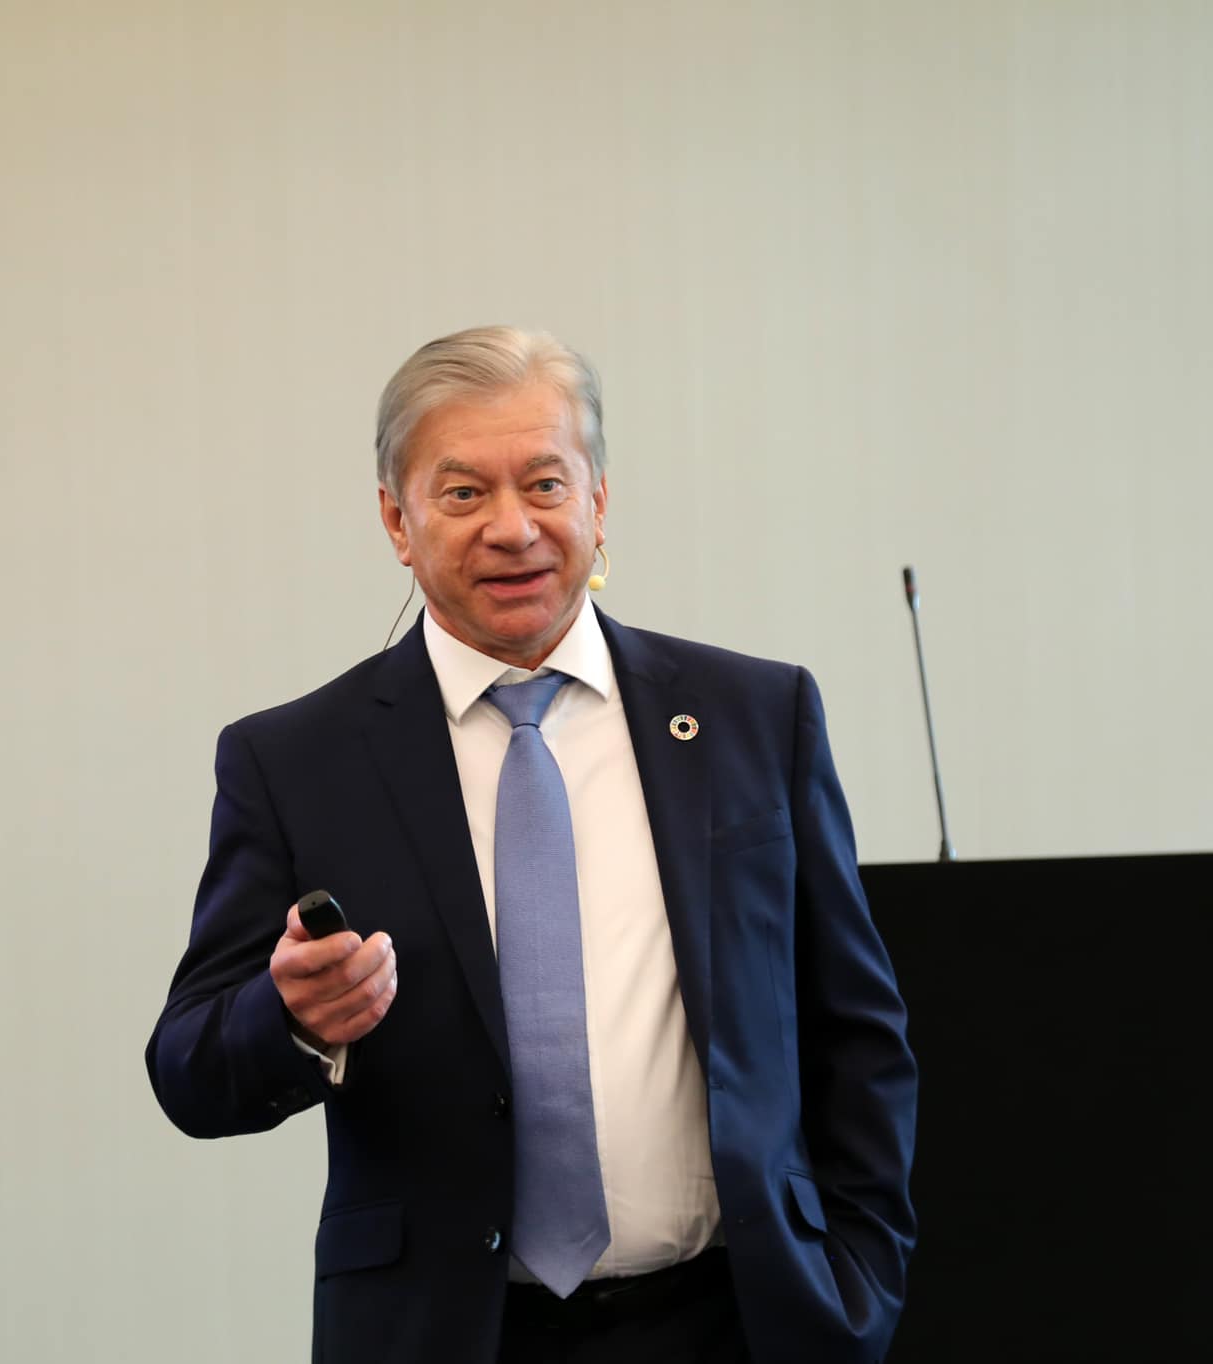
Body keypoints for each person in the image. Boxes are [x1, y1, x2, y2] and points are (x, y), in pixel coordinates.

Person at [148, 326, 917, 1364]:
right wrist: (289, 1019)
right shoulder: (296, 759)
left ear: (598, 499)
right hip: (445, 1334)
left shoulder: (752, 715)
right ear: (397, 519)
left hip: (736, 1321)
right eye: (463, 492)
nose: (512, 529)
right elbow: (187, 1069)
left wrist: (858, 1281)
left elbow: (855, 1030)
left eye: (546, 484)